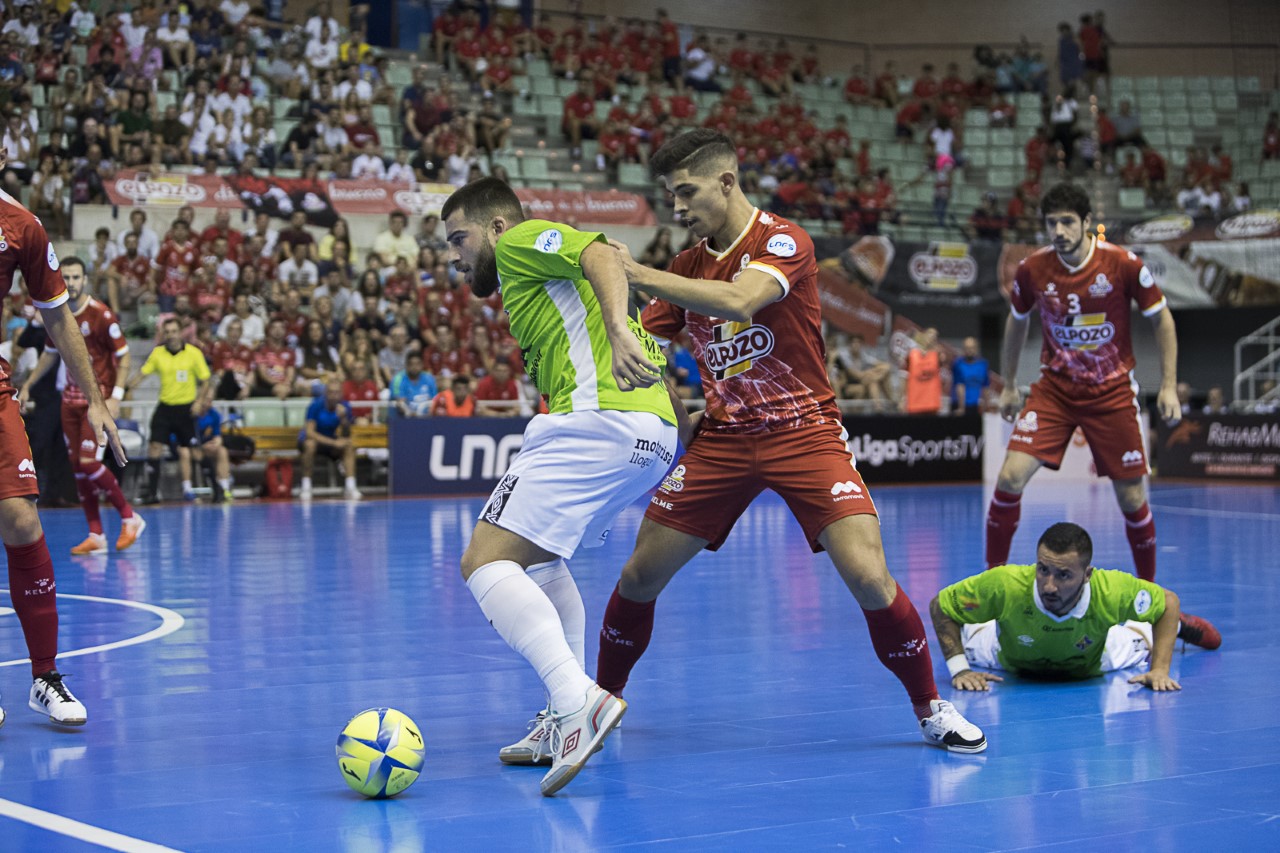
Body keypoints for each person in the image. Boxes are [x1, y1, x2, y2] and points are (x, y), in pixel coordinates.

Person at [592, 130, 986, 760]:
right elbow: (645, 342)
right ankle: (600, 702)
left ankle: (931, 707)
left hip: (805, 433)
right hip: (723, 442)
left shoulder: (783, 240)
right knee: (638, 576)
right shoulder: (686, 266)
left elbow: (740, 299)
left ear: (727, 181)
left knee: (869, 576)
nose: (678, 207)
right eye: (671, 195)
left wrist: (635, 271)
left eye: (687, 192)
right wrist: (674, 411)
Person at [443, 176, 681, 796]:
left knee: (483, 561)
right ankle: (562, 718)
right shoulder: (537, 286)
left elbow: (601, 253)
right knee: (542, 560)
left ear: (496, 227)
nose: (454, 255)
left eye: (460, 238)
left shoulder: (520, 241)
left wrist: (620, 329)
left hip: (597, 421)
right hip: (646, 434)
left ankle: (579, 699)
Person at [987, 183, 1180, 582]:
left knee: (1132, 498)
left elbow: (1162, 318)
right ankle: (992, 582)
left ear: (1087, 222)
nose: (1058, 231)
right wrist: (1009, 383)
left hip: (1111, 392)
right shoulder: (1032, 269)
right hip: (1054, 392)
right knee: (1008, 478)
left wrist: (1168, 384)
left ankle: (1149, 593)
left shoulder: (1123, 264)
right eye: (1051, 223)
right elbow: (1016, 322)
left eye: (1067, 222)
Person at [0, 150, 128, 726]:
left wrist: (97, 399)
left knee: (22, 519)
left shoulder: (21, 226)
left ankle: (45, 677)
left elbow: (57, 317)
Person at [930, 522, 1220, 692]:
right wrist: (960, 670)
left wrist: (1159, 670)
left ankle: (1177, 626)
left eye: (1064, 575)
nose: (1049, 586)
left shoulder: (1111, 590)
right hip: (1007, 657)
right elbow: (941, 606)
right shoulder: (1006, 583)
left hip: (1092, 662)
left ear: (1087, 574)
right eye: (1043, 570)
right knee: (970, 628)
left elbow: (1168, 602)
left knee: (1143, 637)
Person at [18, 257, 144, 555]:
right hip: (69, 401)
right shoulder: (57, 314)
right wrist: (28, 384)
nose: (72, 283)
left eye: (76, 277)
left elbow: (124, 357)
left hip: (95, 403)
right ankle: (96, 534)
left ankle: (130, 518)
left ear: (85, 280)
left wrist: (115, 396)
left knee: (89, 463)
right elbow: (50, 354)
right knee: (77, 468)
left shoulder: (101, 315)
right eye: (67, 277)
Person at [131, 317, 212, 504]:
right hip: (166, 407)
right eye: (167, 332)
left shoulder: (193, 353)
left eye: (174, 331)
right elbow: (142, 374)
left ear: (181, 332)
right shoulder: (158, 353)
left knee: (195, 451)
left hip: (186, 409)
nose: (171, 335)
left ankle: (217, 488)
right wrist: (124, 389)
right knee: (154, 447)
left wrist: (199, 401)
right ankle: (152, 493)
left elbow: (206, 380)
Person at [298, 377, 361, 501]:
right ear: (326, 393)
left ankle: (351, 486)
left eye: (337, 392)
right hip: (315, 441)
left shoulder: (345, 406)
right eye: (331, 392)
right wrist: (334, 443)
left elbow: (347, 433)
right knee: (310, 445)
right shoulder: (315, 405)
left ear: (341, 394)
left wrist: (343, 419)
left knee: (349, 445)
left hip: (332, 442)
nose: (334, 396)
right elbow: (310, 433)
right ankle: (306, 487)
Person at [192, 397, 234, 503]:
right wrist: (202, 446)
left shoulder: (214, 414)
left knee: (222, 451)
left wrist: (216, 443)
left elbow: (217, 435)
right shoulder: (192, 416)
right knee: (196, 453)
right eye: (206, 400)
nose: (208, 403)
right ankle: (214, 486)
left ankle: (224, 488)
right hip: (194, 447)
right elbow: (189, 438)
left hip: (209, 446)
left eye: (210, 401)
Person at [389, 350, 437, 418]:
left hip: (427, 418)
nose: (414, 367)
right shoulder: (398, 379)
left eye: (417, 364)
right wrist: (410, 414)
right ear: (406, 365)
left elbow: (434, 400)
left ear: (422, 365)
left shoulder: (429, 378)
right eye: (411, 364)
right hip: (404, 418)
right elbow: (400, 403)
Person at [951, 337, 990, 415]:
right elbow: (960, 386)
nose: (969, 350)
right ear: (963, 349)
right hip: (959, 404)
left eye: (972, 348)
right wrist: (961, 408)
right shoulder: (958, 364)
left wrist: (986, 406)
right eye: (967, 348)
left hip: (975, 405)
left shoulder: (983, 364)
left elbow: (985, 386)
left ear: (976, 349)